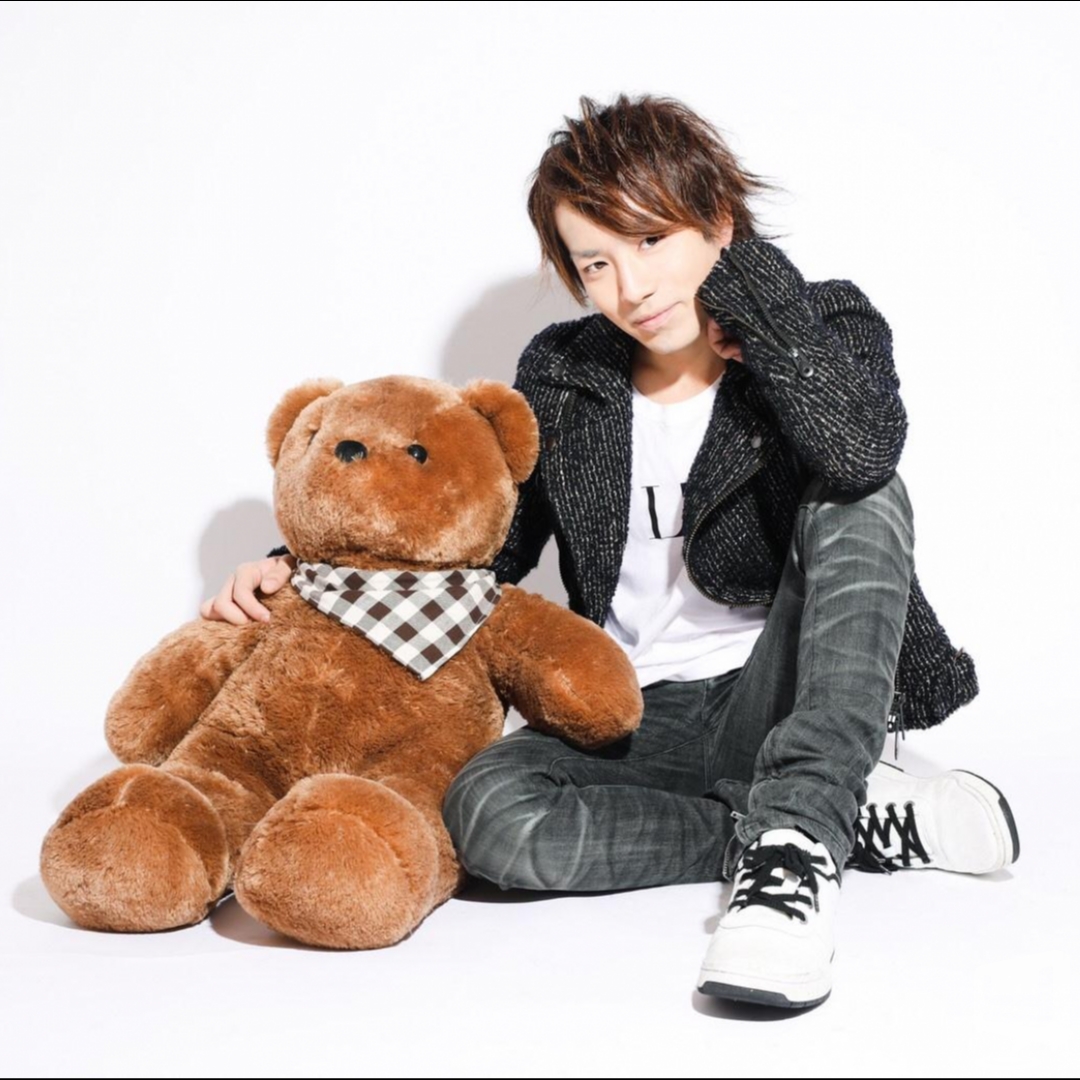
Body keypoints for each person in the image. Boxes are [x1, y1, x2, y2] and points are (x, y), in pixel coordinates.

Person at [202, 94, 1019, 1010]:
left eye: (652, 240)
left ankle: (796, 846)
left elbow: (862, 453)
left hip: (781, 691)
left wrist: (758, 304)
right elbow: (489, 542)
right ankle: (820, 823)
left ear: (717, 220)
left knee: (861, 497)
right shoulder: (565, 371)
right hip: (637, 708)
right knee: (487, 816)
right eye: (596, 262)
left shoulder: (823, 323)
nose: (632, 288)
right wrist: (304, 570)